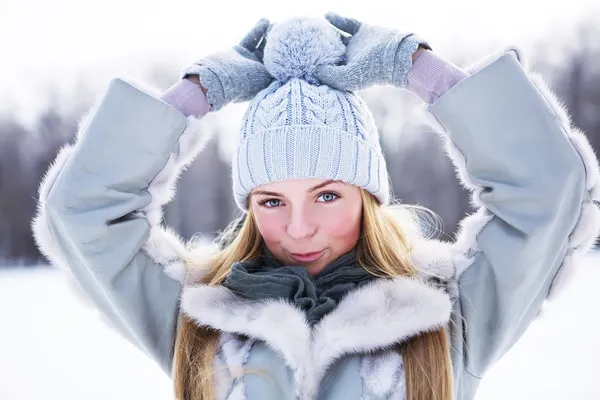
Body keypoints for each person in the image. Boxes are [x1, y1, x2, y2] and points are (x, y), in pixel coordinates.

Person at [32, 12, 600, 400]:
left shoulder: (449, 314)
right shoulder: (201, 320)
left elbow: (548, 192)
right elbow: (79, 211)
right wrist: (196, 94)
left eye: (327, 195)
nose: (298, 228)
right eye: (271, 200)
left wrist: (418, 69)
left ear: (368, 196)